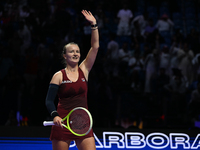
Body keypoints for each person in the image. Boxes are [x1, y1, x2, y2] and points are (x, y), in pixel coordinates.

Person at [45, 10, 99, 150]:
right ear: (65, 56)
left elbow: (95, 47)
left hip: (82, 123)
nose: (75, 53)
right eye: (71, 51)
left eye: (77, 51)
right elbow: (49, 100)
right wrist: (55, 116)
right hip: (62, 123)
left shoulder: (84, 69)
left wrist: (94, 25)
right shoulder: (59, 75)